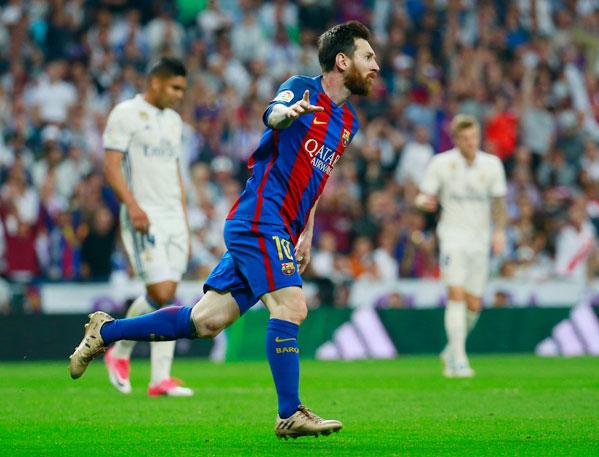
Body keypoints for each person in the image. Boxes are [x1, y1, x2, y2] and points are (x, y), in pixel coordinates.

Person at [69, 21, 379, 439]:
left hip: (283, 229)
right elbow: (273, 113)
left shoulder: (347, 123)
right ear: (342, 61)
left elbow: (316, 179)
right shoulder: (302, 89)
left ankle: (105, 331)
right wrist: (283, 116)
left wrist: (306, 230)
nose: (375, 65)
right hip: (259, 218)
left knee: (204, 322)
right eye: (368, 56)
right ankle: (290, 412)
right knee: (291, 307)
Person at [101, 57, 193, 397]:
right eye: (175, 88)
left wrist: (185, 220)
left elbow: (176, 173)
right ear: (155, 83)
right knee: (162, 293)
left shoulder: (174, 121)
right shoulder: (125, 113)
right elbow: (111, 165)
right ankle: (120, 348)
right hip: (145, 213)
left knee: (167, 294)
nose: (179, 95)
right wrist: (133, 205)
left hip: (173, 216)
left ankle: (159, 379)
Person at [416, 114, 507, 377]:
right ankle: (459, 360)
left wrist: (499, 232)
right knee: (455, 295)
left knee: (474, 304)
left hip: (481, 239)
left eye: (474, 137)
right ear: (456, 139)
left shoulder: (491, 165)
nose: (471, 142)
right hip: (452, 237)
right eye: (465, 138)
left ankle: (452, 350)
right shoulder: (441, 164)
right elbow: (424, 196)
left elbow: (499, 204)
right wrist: (423, 203)